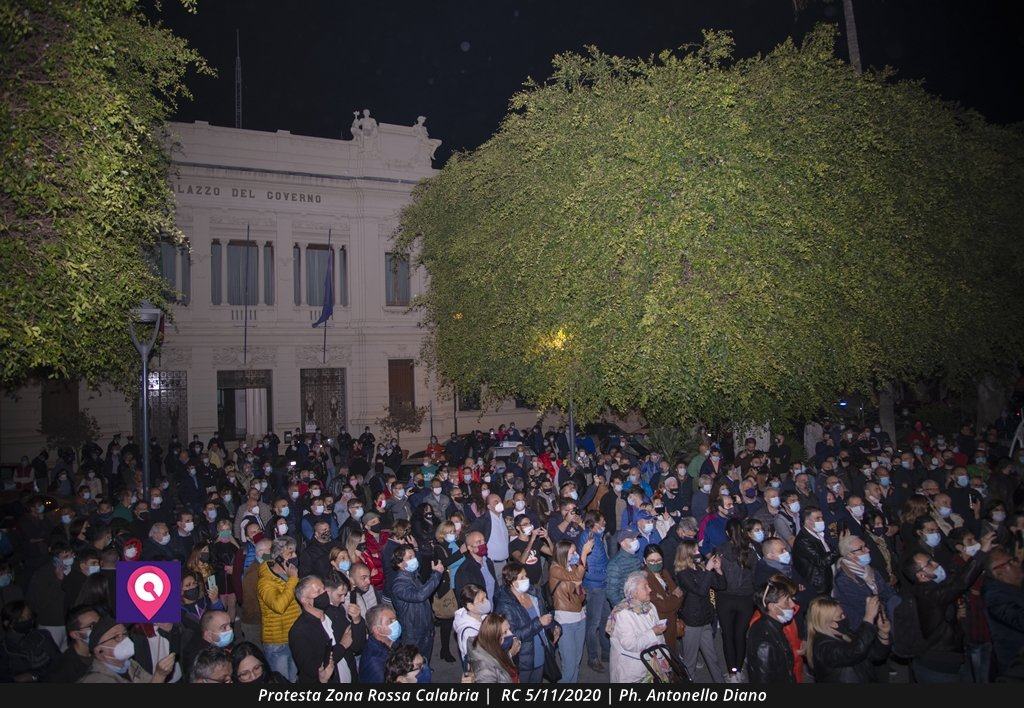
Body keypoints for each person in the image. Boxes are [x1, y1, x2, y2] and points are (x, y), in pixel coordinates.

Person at [901, 531, 994, 682]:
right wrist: (981, 553)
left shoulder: (929, 589)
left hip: (947, 659)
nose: (936, 564)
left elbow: (955, 582)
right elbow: (961, 583)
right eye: (929, 564)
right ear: (921, 576)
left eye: (932, 560)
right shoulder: (928, 594)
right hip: (938, 665)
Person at [289, 575, 365, 684]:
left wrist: (357, 621)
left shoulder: (335, 613)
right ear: (305, 600)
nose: (324, 593)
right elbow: (313, 670)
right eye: (318, 591)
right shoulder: (299, 632)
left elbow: (357, 646)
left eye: (323, 589)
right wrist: (342, 646)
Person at [805, 595, 891, 683]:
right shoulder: (823, 647)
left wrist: (883, 634)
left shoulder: (846, 634)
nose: (844, 617)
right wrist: (868, 619)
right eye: (840, 616)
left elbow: (876, 655)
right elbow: (855, 652)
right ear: (831, 624)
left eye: (843, 613)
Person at [674, 540, 726, 682]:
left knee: (712, 658)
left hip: (705, 619)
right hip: (692, 622)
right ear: (687, 554)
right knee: (690, 661)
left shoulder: (700, 567)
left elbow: (721, 586)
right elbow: (701, 591)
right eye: (696, 550)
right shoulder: (683, 574)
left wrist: (718, 570)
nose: (699, 553)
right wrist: (708, 571)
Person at [493, 562, 554, 683]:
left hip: (540, 650)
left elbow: (545, 614)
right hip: (523, 658)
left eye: (525, 576)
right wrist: (539, 623)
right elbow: (512, 636)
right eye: (522, 578)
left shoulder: (533, 593)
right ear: (512, 582)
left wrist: (554, 626)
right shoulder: (505, 605)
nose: (527, 579)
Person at [548, 536, 594, 683]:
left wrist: (579, 587)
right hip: (565, 621)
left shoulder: (572, 566)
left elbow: (580, 594)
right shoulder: (555, 568)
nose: (575, 554)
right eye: (572, 552)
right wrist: (584, 554)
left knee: (576, 663)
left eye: (576, 552)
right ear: (563, 553)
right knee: (568, 667)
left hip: (580, 617)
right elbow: (576, 576)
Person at [606, 570, 664, 682]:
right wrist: (653, 632)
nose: (650, 589)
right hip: (633, 671)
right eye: (645, 587)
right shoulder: (623, 614)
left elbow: (660, 637)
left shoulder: (650, 606)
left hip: (653, 666)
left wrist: (664, 656)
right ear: (634, 593)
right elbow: (630, 644)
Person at [79, 616, 175, 683]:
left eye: (124, 634)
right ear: (99, 650)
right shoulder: (95, 679)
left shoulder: (131, 665)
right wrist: (160, 675)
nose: (124, 640)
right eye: (116, 637)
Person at [257, 536, 300, 682]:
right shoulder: (265, 582)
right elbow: (278, 606)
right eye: (290, 553)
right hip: (278, 643)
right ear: (278, 557)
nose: (294, 556)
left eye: (294, 552)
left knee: (294, 679)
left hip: (293, 636)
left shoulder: (290, 573)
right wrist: (293, 580)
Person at [390, 546, 444, 663]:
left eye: (414, 556)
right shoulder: (399, 585)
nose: (414, 560)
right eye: (410, 557)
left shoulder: (413, 576)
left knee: (424, 661)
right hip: (413, 634)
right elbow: (420, 596)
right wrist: (436, 575)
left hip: (425, 629)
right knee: (414, 664)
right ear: (400, 564)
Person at [833, 533, 896, 631]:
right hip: (864, 625)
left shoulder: (869, 569)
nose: (867, 550)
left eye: (865, 546)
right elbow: (863, 606)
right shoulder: (843, 580)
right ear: (850, 554)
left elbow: (886, 591)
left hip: (882, 615)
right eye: (861, 548)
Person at [745, 574, 798, 684]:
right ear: (772, 607)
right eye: (787, 600)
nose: (792, 604)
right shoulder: (764, 644)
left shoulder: (773, 625)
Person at [982, 547, 1024, 678]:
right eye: (1012, 561)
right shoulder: (995, 595)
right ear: (998, 572)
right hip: (1017, 665)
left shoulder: (1014, 585)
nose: (1018, 564)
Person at [577, 510, 611, 671]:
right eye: (603, 520)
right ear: (596, 522)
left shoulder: (596, 536)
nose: (605, 523)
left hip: (602, 584)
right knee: (593, 623)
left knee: (606, 619)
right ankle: (592, 657)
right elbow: (587, 564)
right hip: (594, 585)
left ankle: (606, 651)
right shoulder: (588, 536)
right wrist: (603, 576)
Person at [1, 600, 60, 682]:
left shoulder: (43, 636)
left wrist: (33, 676)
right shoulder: (4, 649)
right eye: (21, 619)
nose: (27, 620)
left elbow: (58, 662)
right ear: (8, 623)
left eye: (29, 616)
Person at [641, 543, 683, 652]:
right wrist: (674, 597)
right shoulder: (644, 578)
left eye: (659, 560)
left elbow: (680, 596)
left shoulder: (664, 572)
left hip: (672, 621)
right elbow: (663, 606)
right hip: (659, 623)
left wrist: (669, 599)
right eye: (652, 561)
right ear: (645, 561)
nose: (656, 563)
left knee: (672, 652)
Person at [46, 605, 97, 682]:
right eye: (92, 626)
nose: (100, 627)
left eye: (100, 622)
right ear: (76, 634)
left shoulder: (98, 651)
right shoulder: (64, 669)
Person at [467, 612, 519, 683]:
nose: (511, 634)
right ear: (494, 637)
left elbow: (496, 661)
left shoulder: (489, 646)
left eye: (509, 629)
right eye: (505, 632)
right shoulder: (485, 670)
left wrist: (509, 654)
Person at [358, 604, 399, 683]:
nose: (396, 624)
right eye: (390, 621)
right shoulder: (376, 664)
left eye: (395, 619)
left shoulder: (392, 642)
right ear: (377, 630)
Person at [453, 583, 489, 669]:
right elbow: (481, 660)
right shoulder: (469, 633)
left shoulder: (483, 616)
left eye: (486, 597)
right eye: (482, 600)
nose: (486, 602)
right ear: (470, 606)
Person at [606, 529, 644, 607]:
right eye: (632, 539)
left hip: (638, 602)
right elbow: (611, 593)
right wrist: (624, 608)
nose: (635, 541)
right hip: (627, 607)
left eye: (636, 538)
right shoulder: (615, 564)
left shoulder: (636, 558)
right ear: (622, 543)